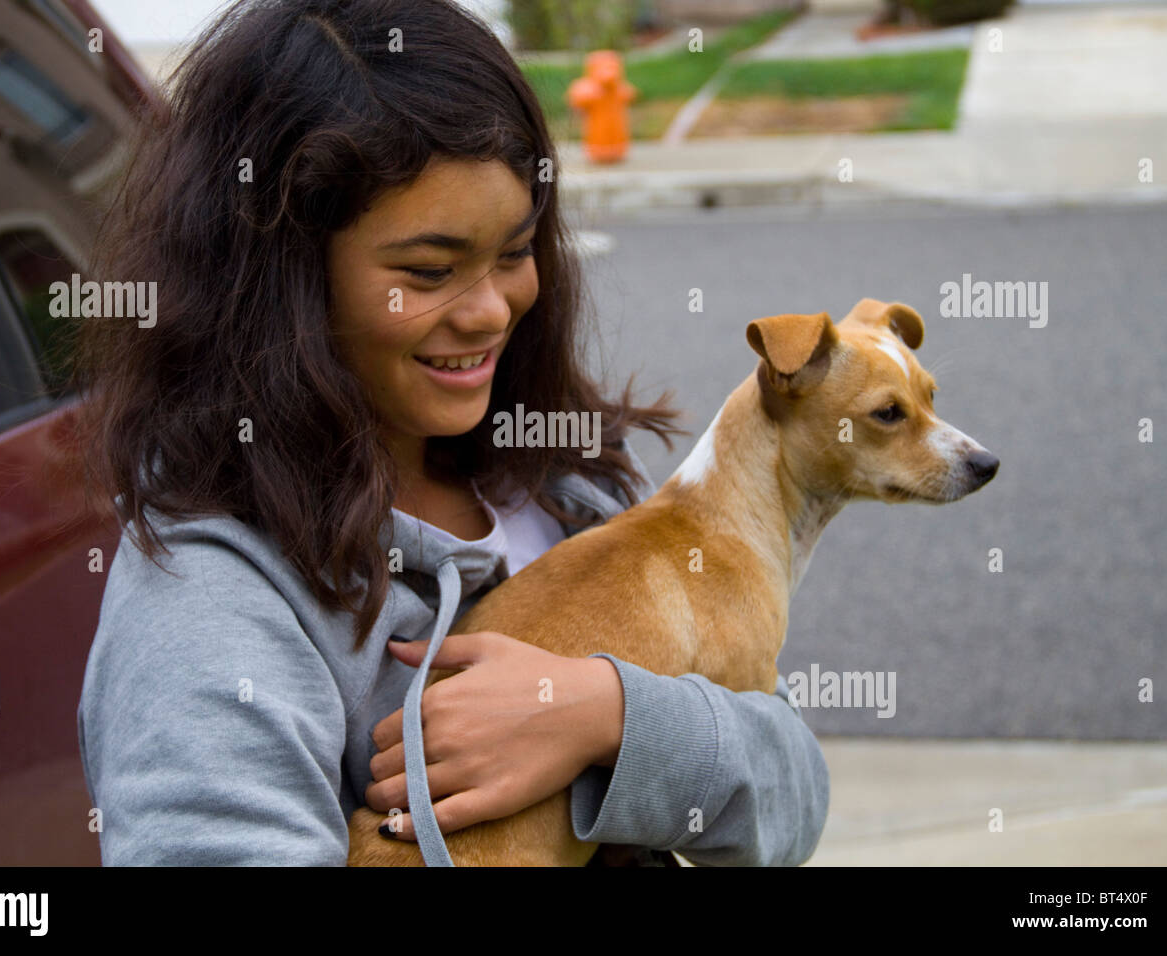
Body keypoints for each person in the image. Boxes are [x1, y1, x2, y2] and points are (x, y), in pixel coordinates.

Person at [71, 0, 828, 866]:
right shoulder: (210, 605)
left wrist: (606, 715)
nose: (489, 311)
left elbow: (791, 798)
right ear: (284, 279)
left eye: (514, 252)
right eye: (430, 272)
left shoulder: (555, 488)